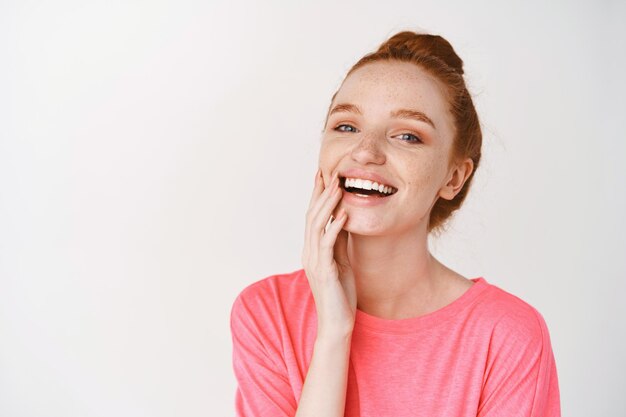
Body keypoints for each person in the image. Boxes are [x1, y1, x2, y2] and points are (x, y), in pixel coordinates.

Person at [230, 30, 561, 417]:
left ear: (453, 177)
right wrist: (334, 333)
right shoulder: (267, 314)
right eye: (346, 126)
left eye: (408, 135)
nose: (366, 151)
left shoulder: (507, 336)